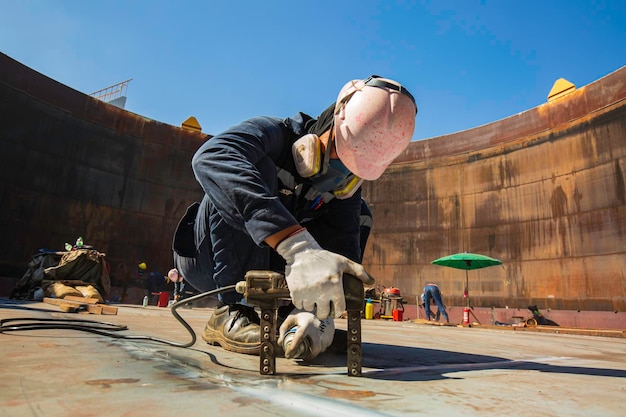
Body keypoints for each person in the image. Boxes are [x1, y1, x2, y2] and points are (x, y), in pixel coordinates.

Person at [173, 75, 417, 359]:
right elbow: (211, 158)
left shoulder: (342, 190)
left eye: (354, 169)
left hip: (271, 266)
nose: (341, 170)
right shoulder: (276, 133)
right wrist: (297, 246)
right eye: (340, 153)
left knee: (360, 212)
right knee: (246, 171)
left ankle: (292, 316)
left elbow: (343, 249)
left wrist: (318, 316)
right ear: (332, 121)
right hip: (206, 263)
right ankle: (231, 311)